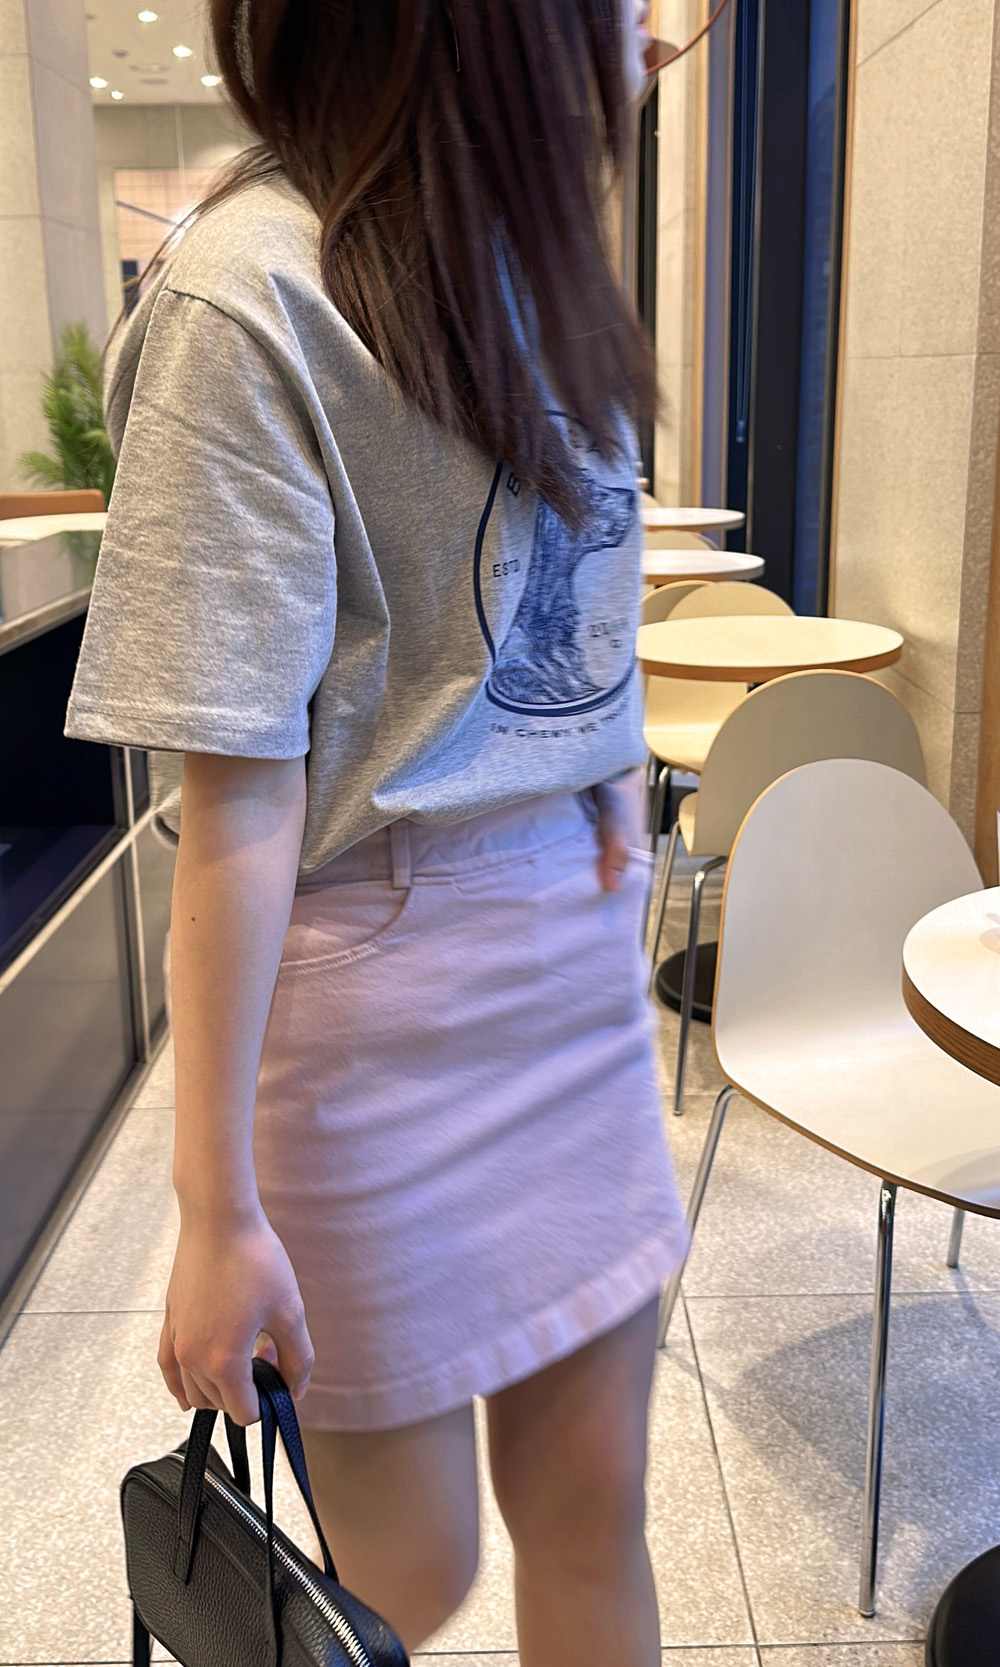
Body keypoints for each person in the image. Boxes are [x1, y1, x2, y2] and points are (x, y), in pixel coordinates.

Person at [66, 2, 688, 1661]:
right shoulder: (248, 292)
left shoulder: (538, 262)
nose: (655, 21)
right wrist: (213, 1209)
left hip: (569, 963)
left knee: (595, 1509)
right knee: (406, 1576)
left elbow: (562, 580)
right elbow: (236, 786)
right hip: (375, 999)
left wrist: (603, 781)